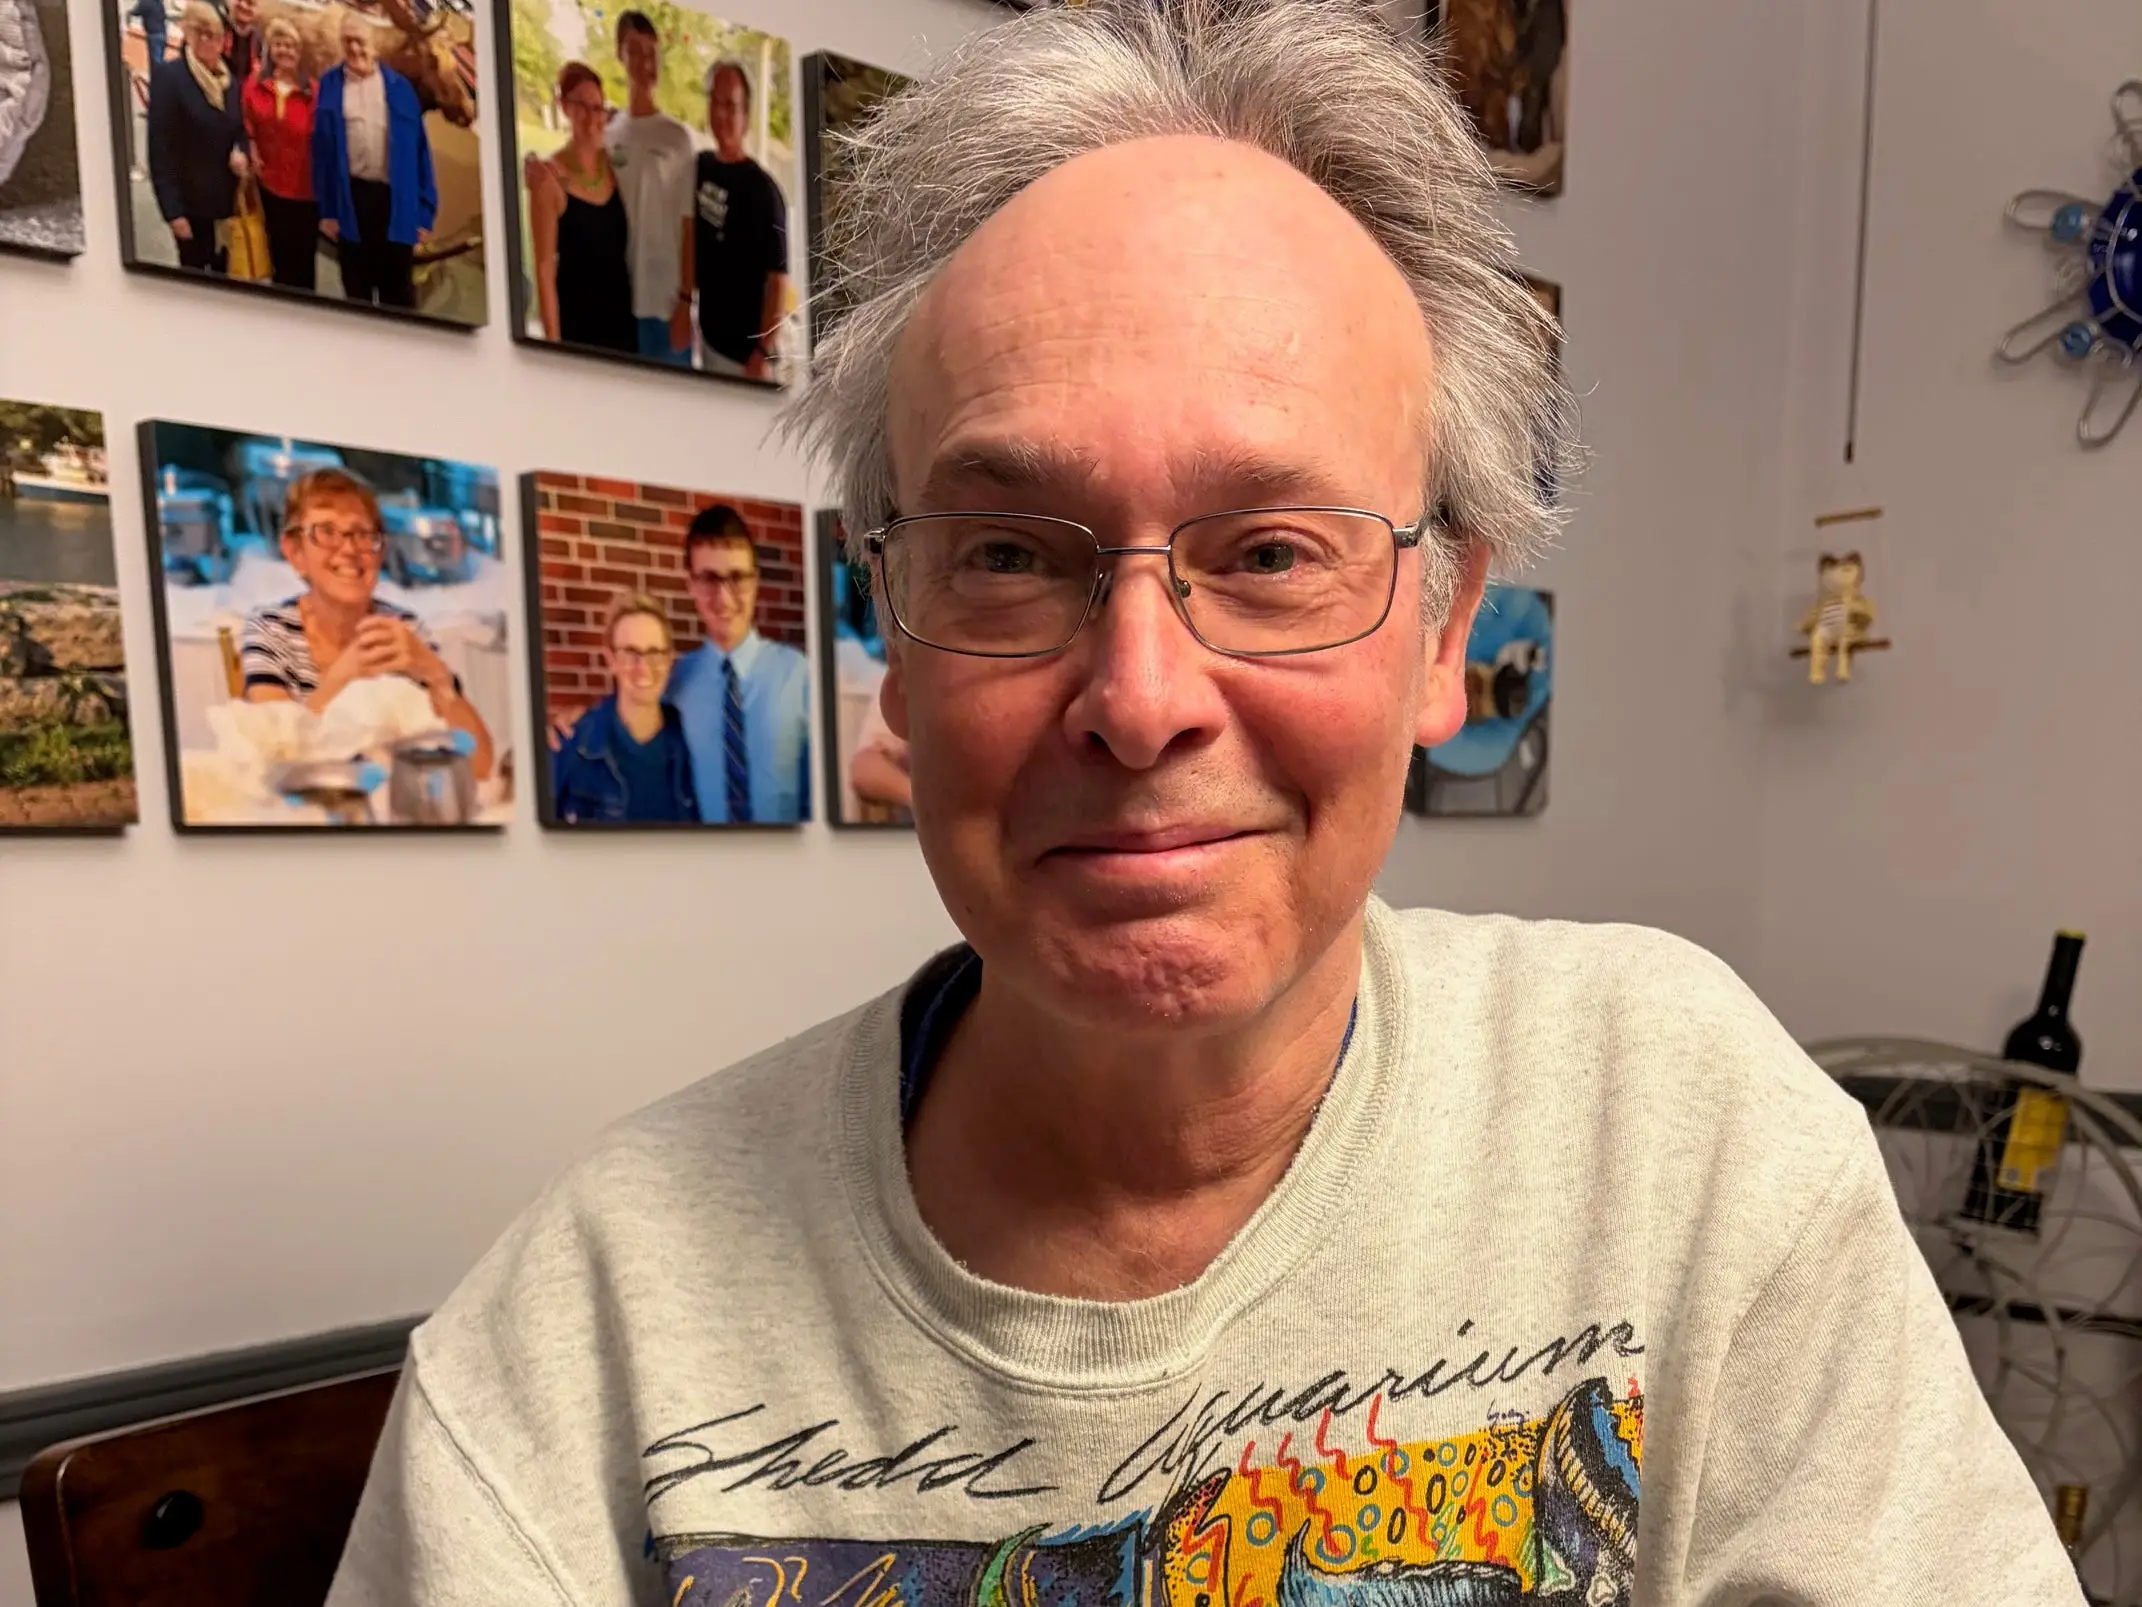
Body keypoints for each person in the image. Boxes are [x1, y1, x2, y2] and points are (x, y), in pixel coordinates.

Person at [327, 5, 2082, 1606]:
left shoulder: (1685, 1141)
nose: (1143, 694)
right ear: (894, 631)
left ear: (1446, 628)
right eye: (1009, 554)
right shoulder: (579, 1343)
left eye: (1268, 554)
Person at [241, 466, 494, 780]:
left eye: (362, 534)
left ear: (380, 553)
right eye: (326, 532)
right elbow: (270, 765)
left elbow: (480, 767)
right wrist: (342, 678)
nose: (348, 549)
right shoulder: (270, 630)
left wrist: (438, 677)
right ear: (295, 553)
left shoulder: (403, 628)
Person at [660, 504, 809, 823]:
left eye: (737, 578)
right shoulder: (672, 685)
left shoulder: (799, 674)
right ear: (691, 585)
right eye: (709, 579)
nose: (724, 598)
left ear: (755, 581)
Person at [311, 11, 435, 310]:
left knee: (400, 295)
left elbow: (421, 152)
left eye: (361, 42)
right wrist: (327, 210)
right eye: (348, 41)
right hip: (351, 200)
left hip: (395, 202)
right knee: (357, 291)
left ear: (375, 45)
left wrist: (424, 212)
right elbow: (321, 153)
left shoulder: (401, 88)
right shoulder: (329, 85)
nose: (355, 49)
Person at [550, 593, 699, 825]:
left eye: (654, 653)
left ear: (669, 659)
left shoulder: (691, 743)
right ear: (611, 659)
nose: (643, 667)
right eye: (631, 653)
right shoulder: (572, 746)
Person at [687, 60, 786, 380]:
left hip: (747, 362)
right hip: (709, 344)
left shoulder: (764, 191)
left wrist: (762, 352)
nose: (721, 114)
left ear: (746, 116)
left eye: (730, 105)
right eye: (714, 102)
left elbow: (777, 282)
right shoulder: (700, 168)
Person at [606, 10, 696, 364]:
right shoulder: (609, 134)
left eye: (651, 51)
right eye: (634, 50)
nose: (645, 62)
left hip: (665, 302)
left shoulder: (677, 138)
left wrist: (685, 302)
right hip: (619, 298)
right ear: (619, 55)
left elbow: (688, 225)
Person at [527, 61, 636, 353]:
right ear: (565, 107)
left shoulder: (617, 166)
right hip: (579, 327)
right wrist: (554, 343)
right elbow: (544, 268)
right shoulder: (549, 180)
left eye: (598, 107)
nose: (592, 117)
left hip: (623, 322)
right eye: (582, 106)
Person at [145, 1, 248, 274]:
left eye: (212, 33)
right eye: (198, 32)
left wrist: (241, 149)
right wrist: (173, 213)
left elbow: (240, 129)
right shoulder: (170, 78)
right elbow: (160, 149)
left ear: (223, 39)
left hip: (227, 207)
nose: (206, 40)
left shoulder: (230, 80)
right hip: (191, 209)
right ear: (187, 34)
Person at [241, 15, 316, 290]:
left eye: (291, 46)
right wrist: (250, 144)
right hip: (270, 187)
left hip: (305, 192)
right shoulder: (254, 86)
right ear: (270, 49)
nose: (285, 50)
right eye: (279, 44)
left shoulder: (314, 92)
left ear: (299, 52)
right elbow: (246, 122)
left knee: (304, 261)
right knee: (278, 257)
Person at [220, 0, 261, 83]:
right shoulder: (216, 27)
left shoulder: (260, 40)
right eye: (239, 0)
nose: (243, 5)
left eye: (250, 3)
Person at [130, 0, 167, 69]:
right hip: (163, 33)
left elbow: (136, 12)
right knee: (160, 60)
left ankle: (157, 78)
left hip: (153, 34)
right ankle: (161, 76)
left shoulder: (146, 2)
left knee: (155, 62)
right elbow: (164, 16)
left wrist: (129, 13)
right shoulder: (159, 3)